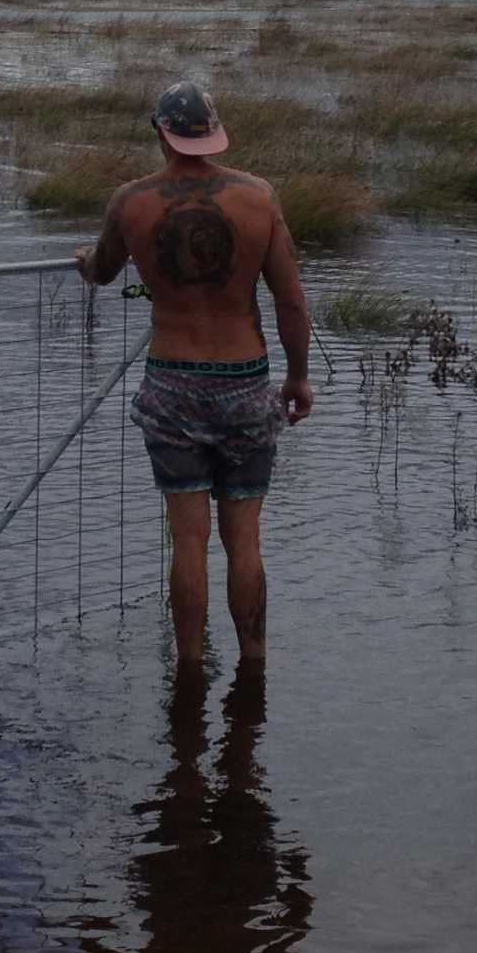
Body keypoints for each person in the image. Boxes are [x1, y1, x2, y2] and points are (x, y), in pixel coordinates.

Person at [75, 81, 314, 667]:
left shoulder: (131, 201)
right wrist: (298, 377)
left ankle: (188, 670)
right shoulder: (258, 198)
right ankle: (252, 663)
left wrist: (84, 261)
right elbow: (290, 300)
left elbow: (101, 270)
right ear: (212, 134)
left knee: (188, 540)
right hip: (244, 382)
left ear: (162, 132)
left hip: (173, 383)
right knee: (245, 541)